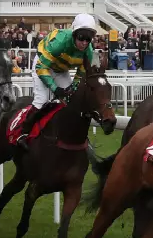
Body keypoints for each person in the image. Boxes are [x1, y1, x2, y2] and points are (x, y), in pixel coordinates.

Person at [15, 14, 97, 143]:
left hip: (61, 70)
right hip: (42, 65)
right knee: (42, 100)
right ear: (75, 34)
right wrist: (55, 88)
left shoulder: (88, 51)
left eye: (88, 39)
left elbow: (81, 73)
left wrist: (73, 87)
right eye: (81, 37)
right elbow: (41, 67)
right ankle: (23, 133)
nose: (84, 43)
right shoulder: (60, 42)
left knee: (72, 101)